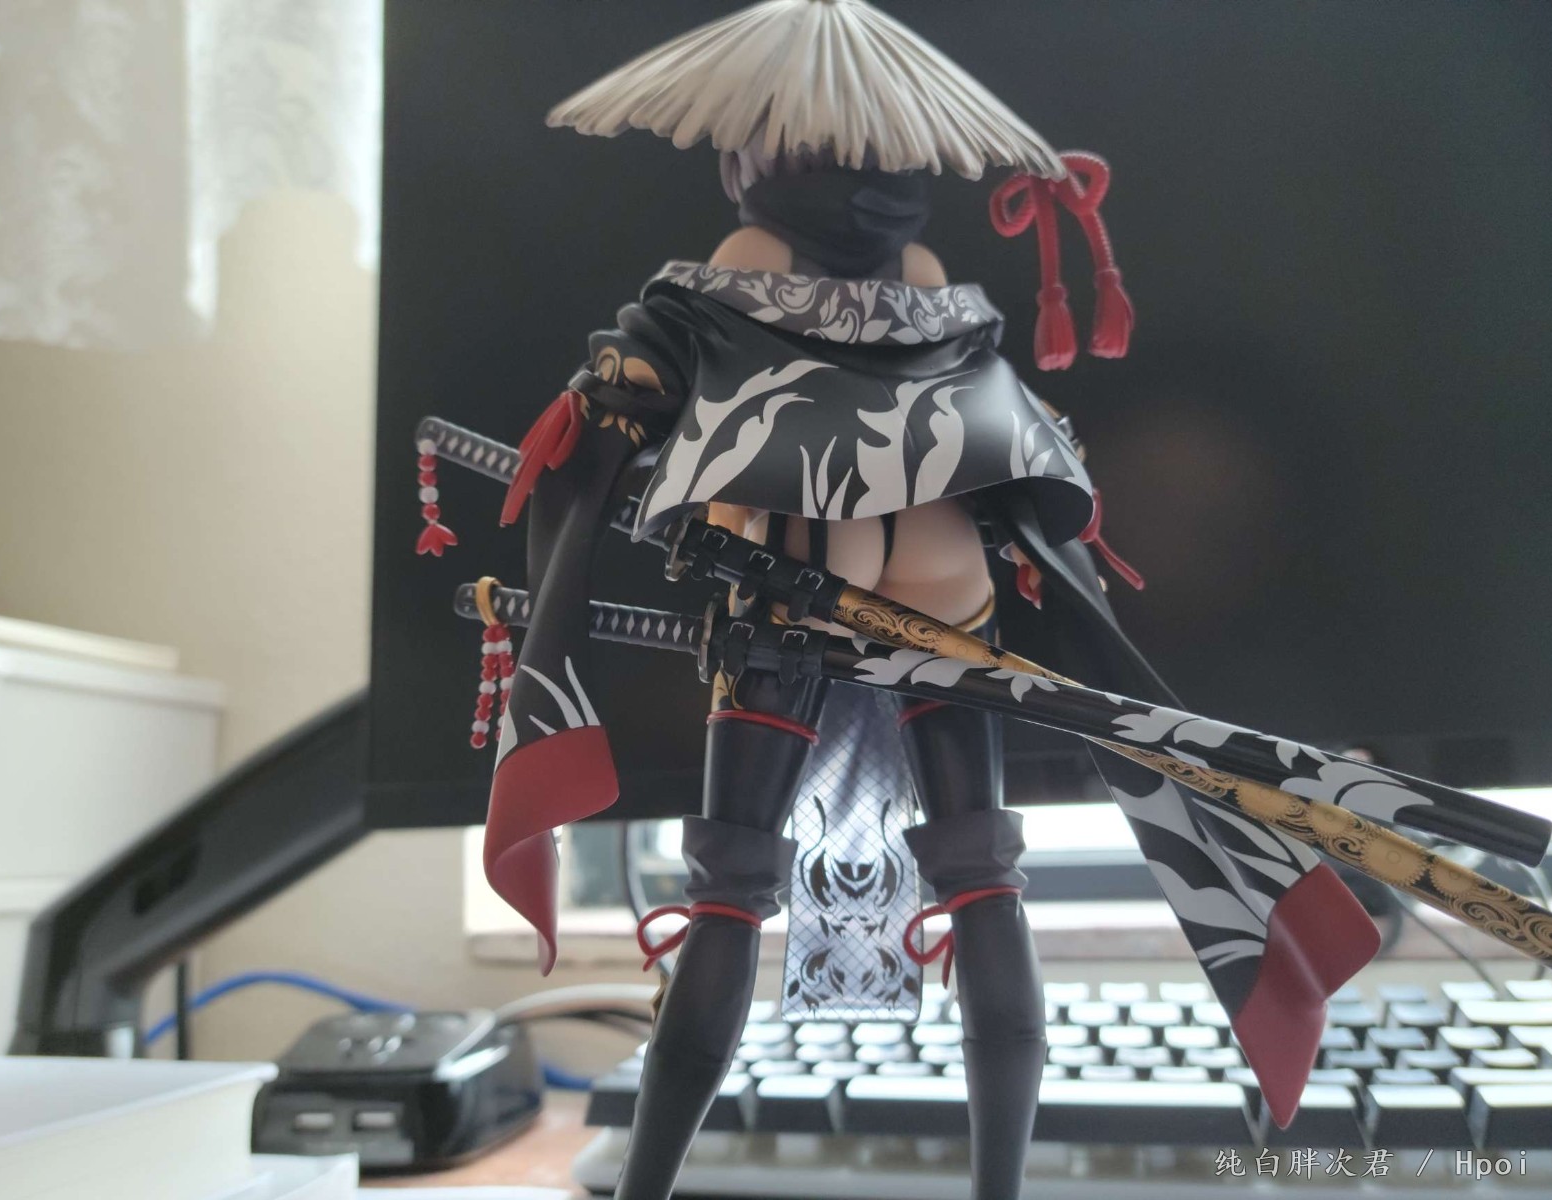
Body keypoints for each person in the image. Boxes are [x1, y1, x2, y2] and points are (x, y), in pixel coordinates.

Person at [471, 4, 1378, 1198]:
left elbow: (614, 429)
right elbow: (1012, 463)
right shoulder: (867, 319)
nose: (856, 191)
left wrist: (614, 424)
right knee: (922, 891)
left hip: (838, 630)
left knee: (768, 894)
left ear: (750, 166)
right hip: (888, 625)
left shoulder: (764, 315)